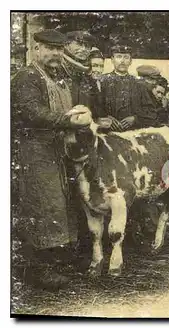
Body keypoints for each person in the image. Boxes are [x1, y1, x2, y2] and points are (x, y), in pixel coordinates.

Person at [11, 30, 92, 289]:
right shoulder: (28, 77)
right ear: (36, 49)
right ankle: (37, 269)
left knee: (61, 205)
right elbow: (31, 112)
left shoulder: (59, 78)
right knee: (42, 206)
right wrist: (67, 121)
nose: (56, 54)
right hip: (34, 149)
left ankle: (56, 260)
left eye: (59, 49)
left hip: (58, 149)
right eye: (50, 49)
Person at [100, 44, 152, 131]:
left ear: (131, 61)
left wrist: (135, 119)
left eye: (126, 57)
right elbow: (95, 108)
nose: (122, 61)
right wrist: (106, 117)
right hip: (107, 133)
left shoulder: (139, 83)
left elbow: (150, 111)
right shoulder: (102, 81)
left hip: (133, 134)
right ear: (112, 60)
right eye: (119, 57)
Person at [61, 31, 101, 118]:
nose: (83, 49)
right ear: (66, 45)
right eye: (79, 44)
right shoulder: (56, 71)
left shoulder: (87, 75)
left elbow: (96, 107)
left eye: (87, 46)